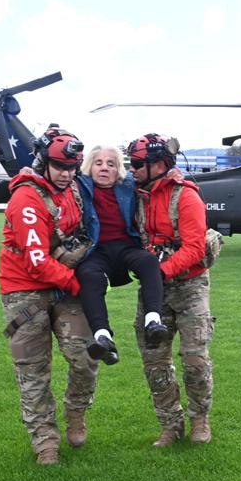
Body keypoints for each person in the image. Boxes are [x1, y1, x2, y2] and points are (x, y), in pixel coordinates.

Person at [0, 128, 98, 465]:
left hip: (64, 285)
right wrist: (81, 285)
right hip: (25, 291)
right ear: (43, 161)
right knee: (33, 372)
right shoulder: (26, 199)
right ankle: (45, 443)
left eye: (72, 167)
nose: (67, 173)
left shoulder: (74, 191)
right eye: (59, 166)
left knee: (86, 357)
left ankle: (76, 412)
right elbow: (37, 262)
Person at [128, 133, 216, 447]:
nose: (132, 169)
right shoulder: (136, 195)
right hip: (155, 291)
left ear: (159, 164)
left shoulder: (186, 196)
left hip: (190, 286)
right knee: (155, 361)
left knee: (195, 358)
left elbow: (193, 248)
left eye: (138, 163)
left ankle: (200, 419)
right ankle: (170, 424)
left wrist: (156, 273)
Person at [75, 145, 169, 366]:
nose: (105, 168)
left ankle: (153, 321)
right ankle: (102, 336)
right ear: (89, 167)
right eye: (98, 163)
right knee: (88, 274)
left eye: (111, 164)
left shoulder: (129, 186)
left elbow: (158, 180)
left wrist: (173, 172)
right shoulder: (78, 186)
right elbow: (50, 180)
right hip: (97, 250)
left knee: (148, 261)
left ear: (119, 170)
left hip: (126, 247)